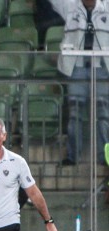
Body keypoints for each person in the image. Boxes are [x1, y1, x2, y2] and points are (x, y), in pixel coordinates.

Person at [49, 0, 109, 166]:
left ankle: (104, 157)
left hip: (102, 68)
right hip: (77, 68)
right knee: (75, 113)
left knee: (103, 115)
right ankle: (72, 156)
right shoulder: (70, 6)